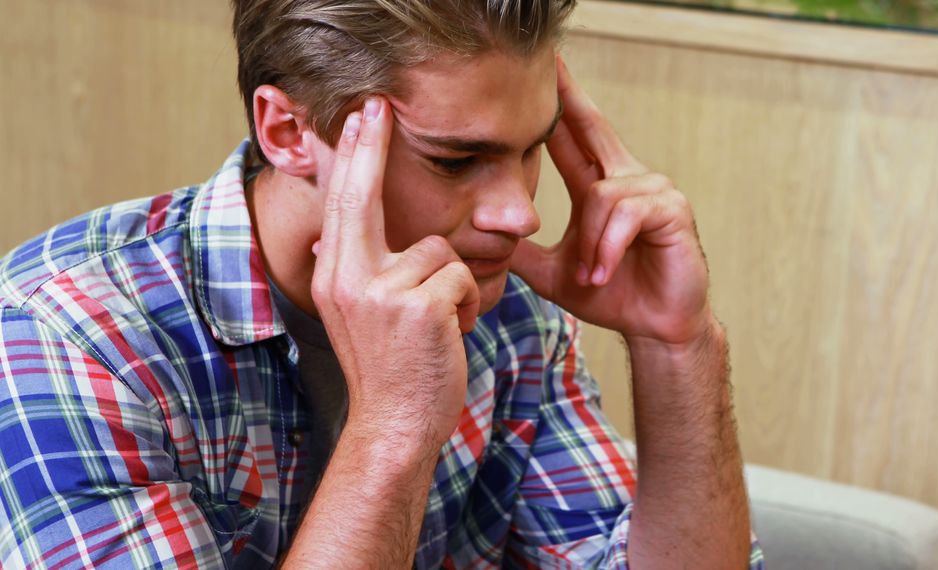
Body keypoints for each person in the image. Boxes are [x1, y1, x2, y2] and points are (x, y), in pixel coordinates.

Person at [0, 1, 764, 568]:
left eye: (531, 149)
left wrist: (678, 346)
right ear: (291, 133)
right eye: (456, 162)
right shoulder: (69, 335)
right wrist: (395, 426)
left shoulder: (505, 308)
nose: (522, 214)